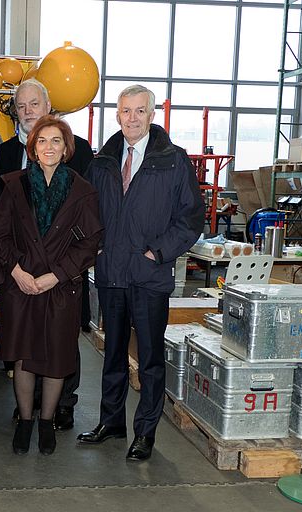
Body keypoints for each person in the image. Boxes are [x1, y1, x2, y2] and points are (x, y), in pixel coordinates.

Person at [77, 84, 204, 461]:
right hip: (112, 273)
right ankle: (111, 421)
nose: (131, 118)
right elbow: (85, 210)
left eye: (139, 111)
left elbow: (190, 217)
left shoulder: (173, 160)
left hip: (150, 275)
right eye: (125, 111)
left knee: (149, 358)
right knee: (113, 353)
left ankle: (145, 432)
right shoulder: (102, 161)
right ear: (117, 115)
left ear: (151, 116)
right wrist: (94, 245)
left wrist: (158, 252)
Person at [0, 115, 102, 456]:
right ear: (32, 147)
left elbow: (91, 242)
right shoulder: (14, 185)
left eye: (56, 141)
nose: (49, 147)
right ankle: (25, 421)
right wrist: (18, 272)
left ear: (66, 147)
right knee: (24, 357)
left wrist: (56, 274)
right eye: (42, 141)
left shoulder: (82, 190)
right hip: (21, 285)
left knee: (56, 357)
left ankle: (46, 422)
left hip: (60, 286)